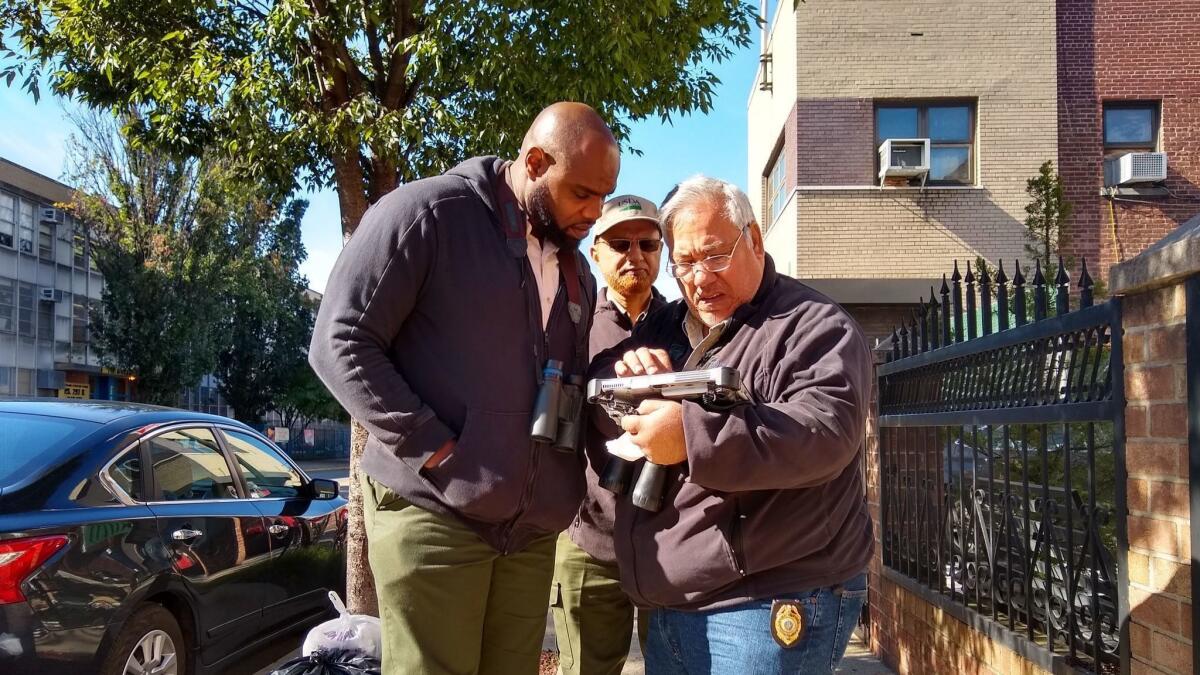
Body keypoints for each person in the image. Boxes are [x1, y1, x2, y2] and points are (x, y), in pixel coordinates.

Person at [309, 102, 619, 675]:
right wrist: (438, 451)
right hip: (433, 514)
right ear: (534, 161)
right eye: (582, 193)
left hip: (527, 536)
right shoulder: (427, 214)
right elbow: (340, 343)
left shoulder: (577, 271)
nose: (594, 213)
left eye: (604, 196)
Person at [591, 175, 874, 674]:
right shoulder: (667, 324)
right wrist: (630, 374)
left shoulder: (815, 325)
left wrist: (690, 436)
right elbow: (600, 375)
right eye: (684, 263)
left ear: (756, 240)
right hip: (672, 602)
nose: (699, 277)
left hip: (767, 601)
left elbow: (824, 433)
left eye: (715, 255)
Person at [551, 194, 666, 675]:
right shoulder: (569, 327)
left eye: (648, 243)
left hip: (673, 542)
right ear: (594, 252)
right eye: (620, 243)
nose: (635, 254)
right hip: (590, 542)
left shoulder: (688, 326)